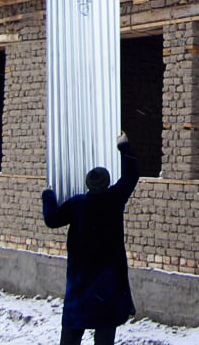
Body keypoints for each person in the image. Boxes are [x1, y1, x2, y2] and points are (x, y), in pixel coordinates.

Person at [42, 133, 140, 345]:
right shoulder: (114, 200)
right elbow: (131, 176)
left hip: (80, 281)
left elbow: (51, 219)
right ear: (106, 183)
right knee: (105, 333)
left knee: (72, 330)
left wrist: (48, 195)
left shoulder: (77, 205)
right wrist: (124, 146)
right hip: (106, 285)